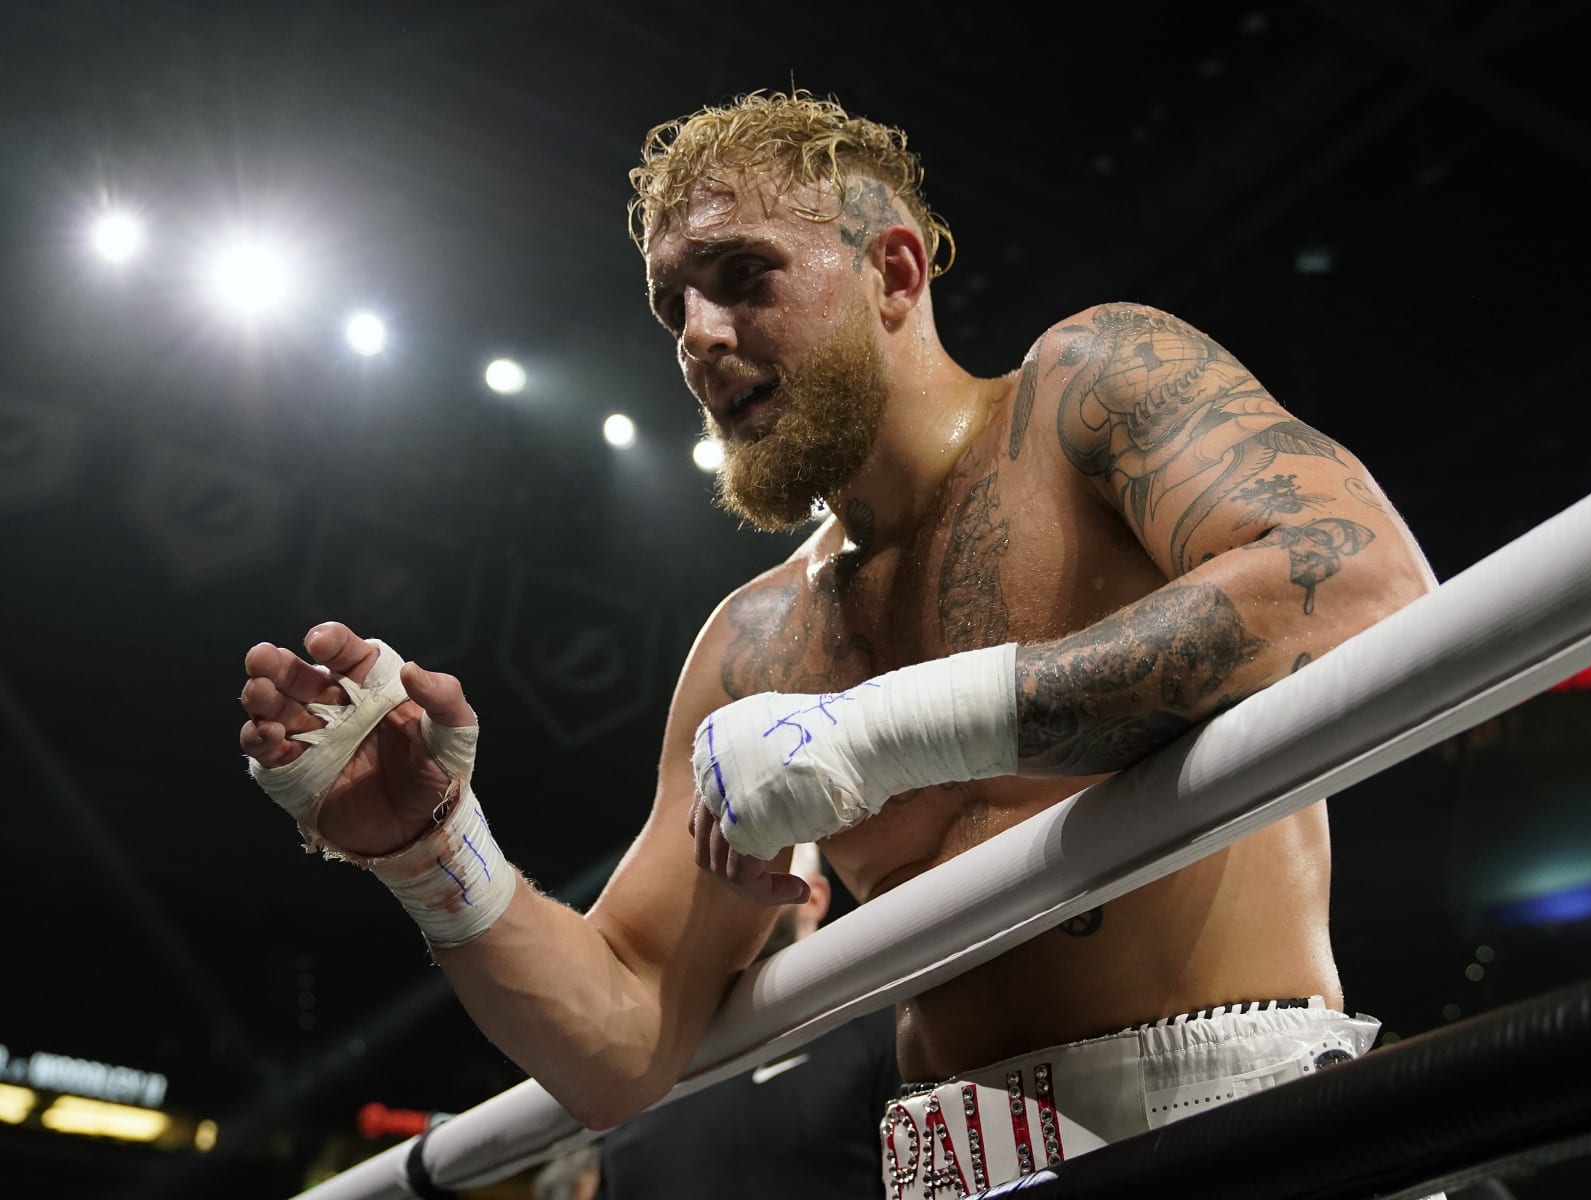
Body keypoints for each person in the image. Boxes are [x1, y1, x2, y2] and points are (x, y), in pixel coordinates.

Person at [237, 90, 1437, 1196]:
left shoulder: (1090, 388)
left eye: (741, 275)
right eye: (673, 305)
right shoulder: (756, 645)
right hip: (950, 1162)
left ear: (895, 272)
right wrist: (431, 853)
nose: (699, 336)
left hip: (1230, 1115)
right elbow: (628, 1036)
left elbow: (1361, 584)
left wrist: (880, 732)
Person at [595, 842, 899, 1198]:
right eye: (724, 866)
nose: (739, 877)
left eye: (767, 855)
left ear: (814, 899)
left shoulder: (872, 1020)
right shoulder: (649, 1073)